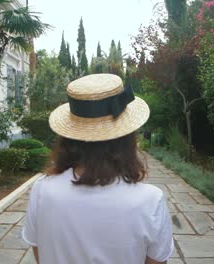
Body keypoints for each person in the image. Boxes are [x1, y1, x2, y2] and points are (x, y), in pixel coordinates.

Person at [22, 73, 174, 264]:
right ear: (127, 137)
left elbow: (40, 253)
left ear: (68, 138)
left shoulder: (42, 191)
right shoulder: (150, 200)